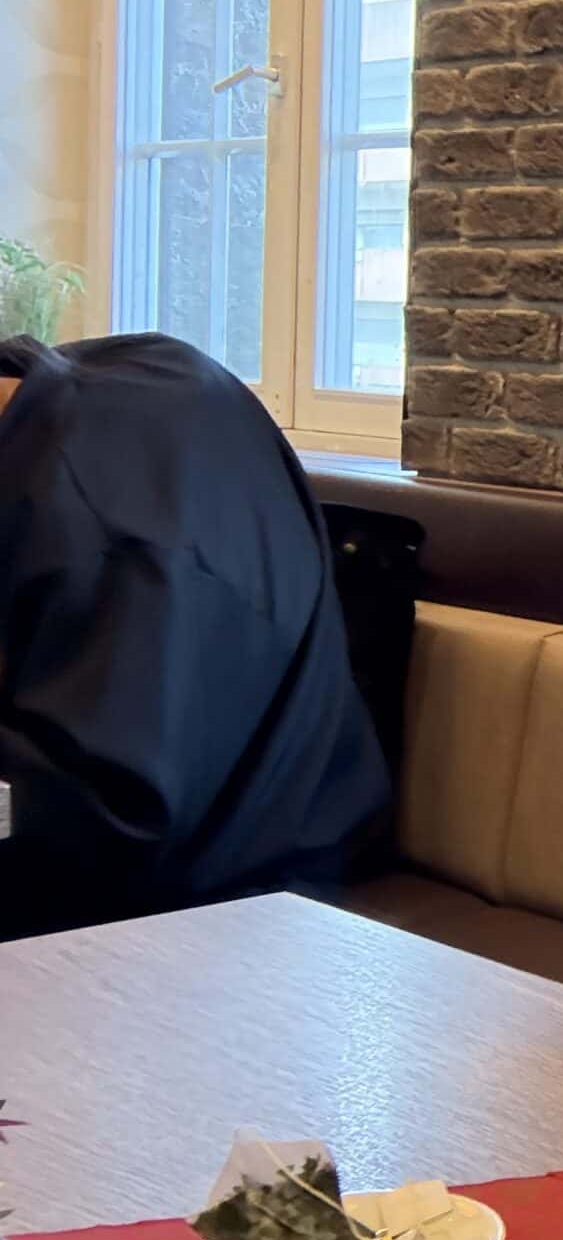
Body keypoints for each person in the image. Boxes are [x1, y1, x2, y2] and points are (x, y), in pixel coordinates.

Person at [0, 332, 388, 936]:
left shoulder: (103, 532)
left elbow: (112, 819)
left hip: (223, 896)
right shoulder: (143, 369)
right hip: (309, 817)